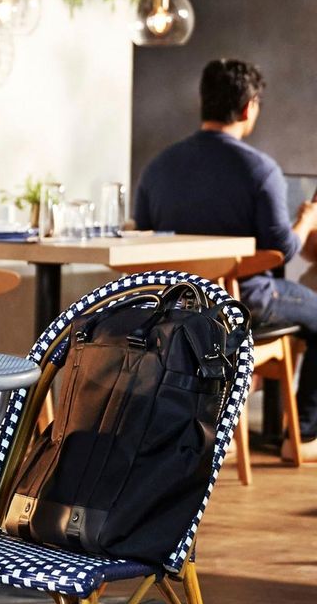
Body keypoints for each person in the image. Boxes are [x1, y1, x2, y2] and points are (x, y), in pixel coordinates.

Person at [134, 58, 317, 460]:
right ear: (249, 107)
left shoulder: (157, 168)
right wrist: (305, 221)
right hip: (244, 300)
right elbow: (281, 249)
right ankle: (300, 437)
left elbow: (143, 236)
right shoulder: (260, 169)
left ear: (204, 102)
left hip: (175, 302)